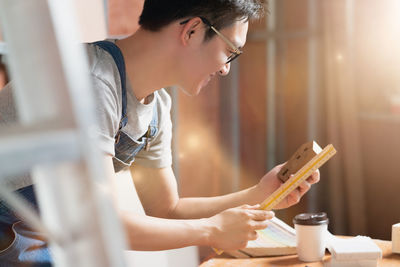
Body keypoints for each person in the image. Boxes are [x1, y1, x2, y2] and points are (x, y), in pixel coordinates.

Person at [0, 0, 320, 265]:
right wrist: (210, 230)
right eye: (230, 51)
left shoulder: (156, 108)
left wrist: (259, 194)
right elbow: (103, 221)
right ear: (193, 30)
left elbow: (167, 210)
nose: (226, 68)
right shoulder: (92, 83)